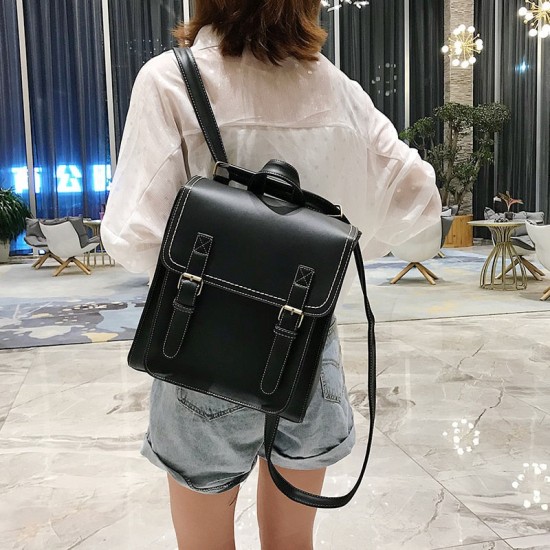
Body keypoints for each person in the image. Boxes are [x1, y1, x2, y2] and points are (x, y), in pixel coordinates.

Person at [101, 1, 441, 548]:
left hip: (199, 342)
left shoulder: (171, 79)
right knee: (292, 544)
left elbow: (134, 237)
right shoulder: (336, 89)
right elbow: (417, 198)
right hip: (308, 346)